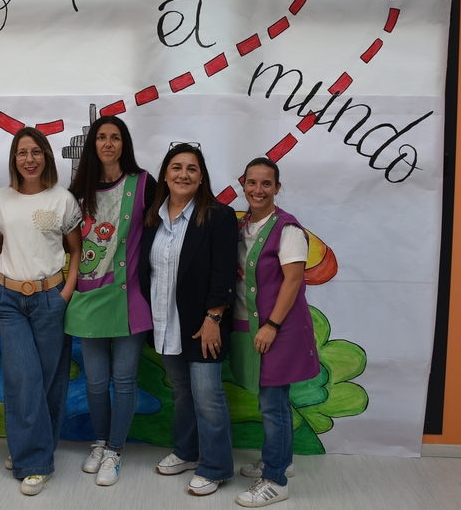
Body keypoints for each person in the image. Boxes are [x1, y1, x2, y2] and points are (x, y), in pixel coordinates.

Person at [0, 127, 82, 496]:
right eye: (22, 152)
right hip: (9, 301)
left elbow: (76, 249)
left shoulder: (63, 199)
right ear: (14, 159)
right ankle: (35, 460)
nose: (29, 159)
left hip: (49, 298)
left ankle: (34, 450)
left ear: (46, 157)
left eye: (36, 152)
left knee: (49, 380)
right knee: (23, 378)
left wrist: (66, 292)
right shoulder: (2, 198)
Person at [139, 142, 238, 497]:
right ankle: (187, 451)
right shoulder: (152, 217)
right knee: (183, 393)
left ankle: (216, 467)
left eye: (191, 169)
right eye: (176, 167)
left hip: (203, 325)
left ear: (201, 178)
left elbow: (225, 274)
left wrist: (214, 317)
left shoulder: (218, 216)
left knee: (208, 395)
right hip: (165, 324)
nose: (183, 174)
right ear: (165, 174)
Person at [65, 116, 156, 486]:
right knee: (96, 382)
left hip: (128, 297)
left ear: (124, 143)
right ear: (92, 145)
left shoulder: (143, 183)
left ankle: (115, 450)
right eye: (101, 137)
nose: (107, 143)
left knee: (125, 379)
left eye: (115, 137)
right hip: (87, 300)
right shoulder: (77, 192)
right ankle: (100, 441)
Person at [231, 157, 320, 508]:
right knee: (270, 400)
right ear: (243, 185)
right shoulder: (242, 227)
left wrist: (271, 325)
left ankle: (277, 479)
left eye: (266, 183)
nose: (258, 190)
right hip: (255, 328)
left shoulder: (288, 229)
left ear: (277, 188)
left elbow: (294, 280)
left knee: (272, 403)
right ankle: (277, 460)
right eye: (252, 183)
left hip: (278, 330)